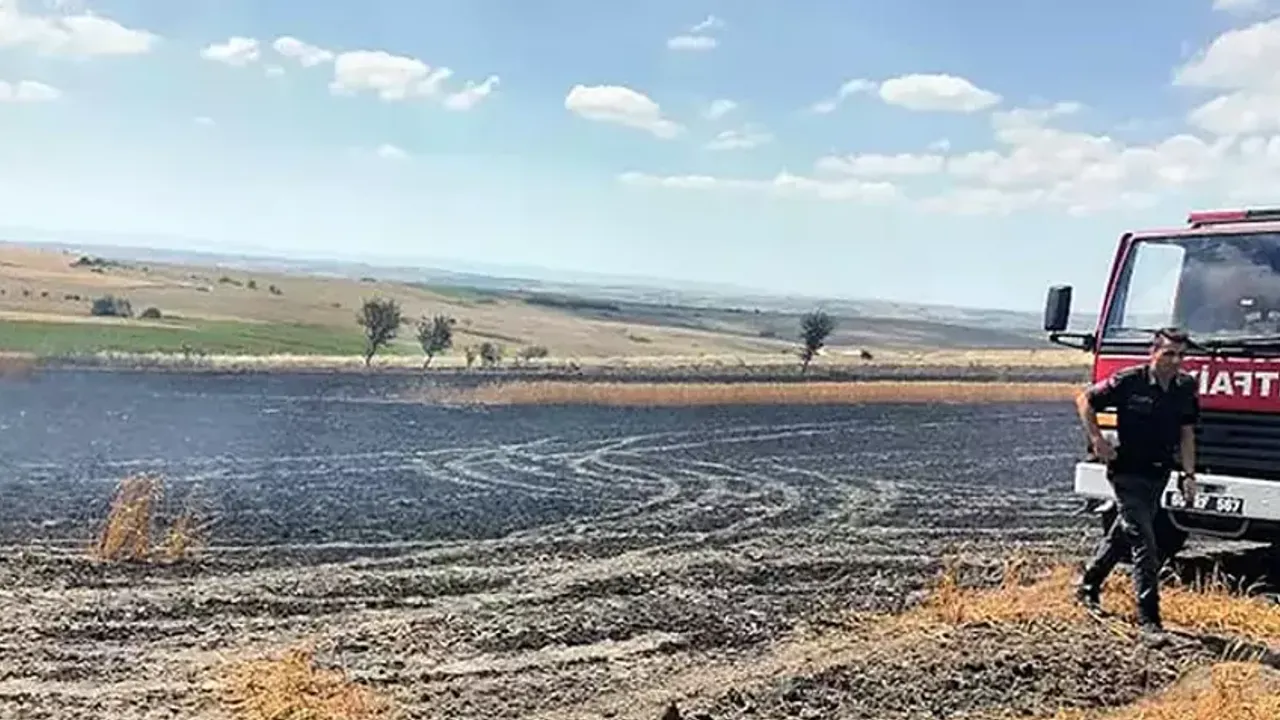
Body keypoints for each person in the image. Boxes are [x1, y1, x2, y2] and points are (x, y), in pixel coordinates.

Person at [1073, 327, 1200, 647]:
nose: (1175, 361)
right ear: (1152, 352)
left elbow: (1187, 433)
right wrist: (1097, 440)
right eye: (1168, 353)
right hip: (1126, 471)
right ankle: (1149, 620)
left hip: (1158, 474)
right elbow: (1085, 399)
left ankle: (1087, 585)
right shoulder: (1129, 380)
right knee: (1145, 541)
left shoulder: (1185, 387)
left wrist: (1188, 475)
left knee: (1121, 535)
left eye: (1181, 355)